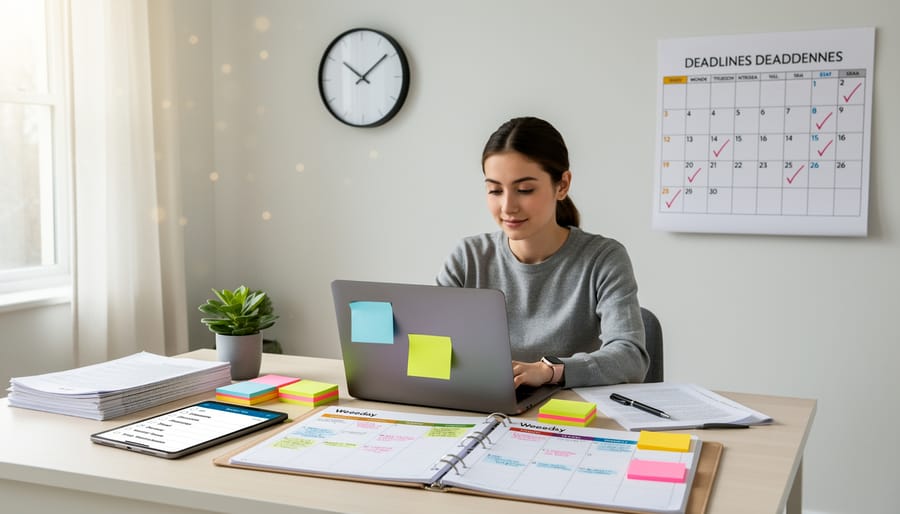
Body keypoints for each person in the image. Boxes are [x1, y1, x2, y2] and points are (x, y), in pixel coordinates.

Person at [436, 116, 648, 389]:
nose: (507, 206)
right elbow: (433, 343)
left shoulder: (603, 259)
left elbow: (631, 357)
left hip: (567, 416)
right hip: (485, 409)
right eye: (495, 190)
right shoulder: (468, 257)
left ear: (562, 185)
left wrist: (551, 370)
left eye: (525, 189)